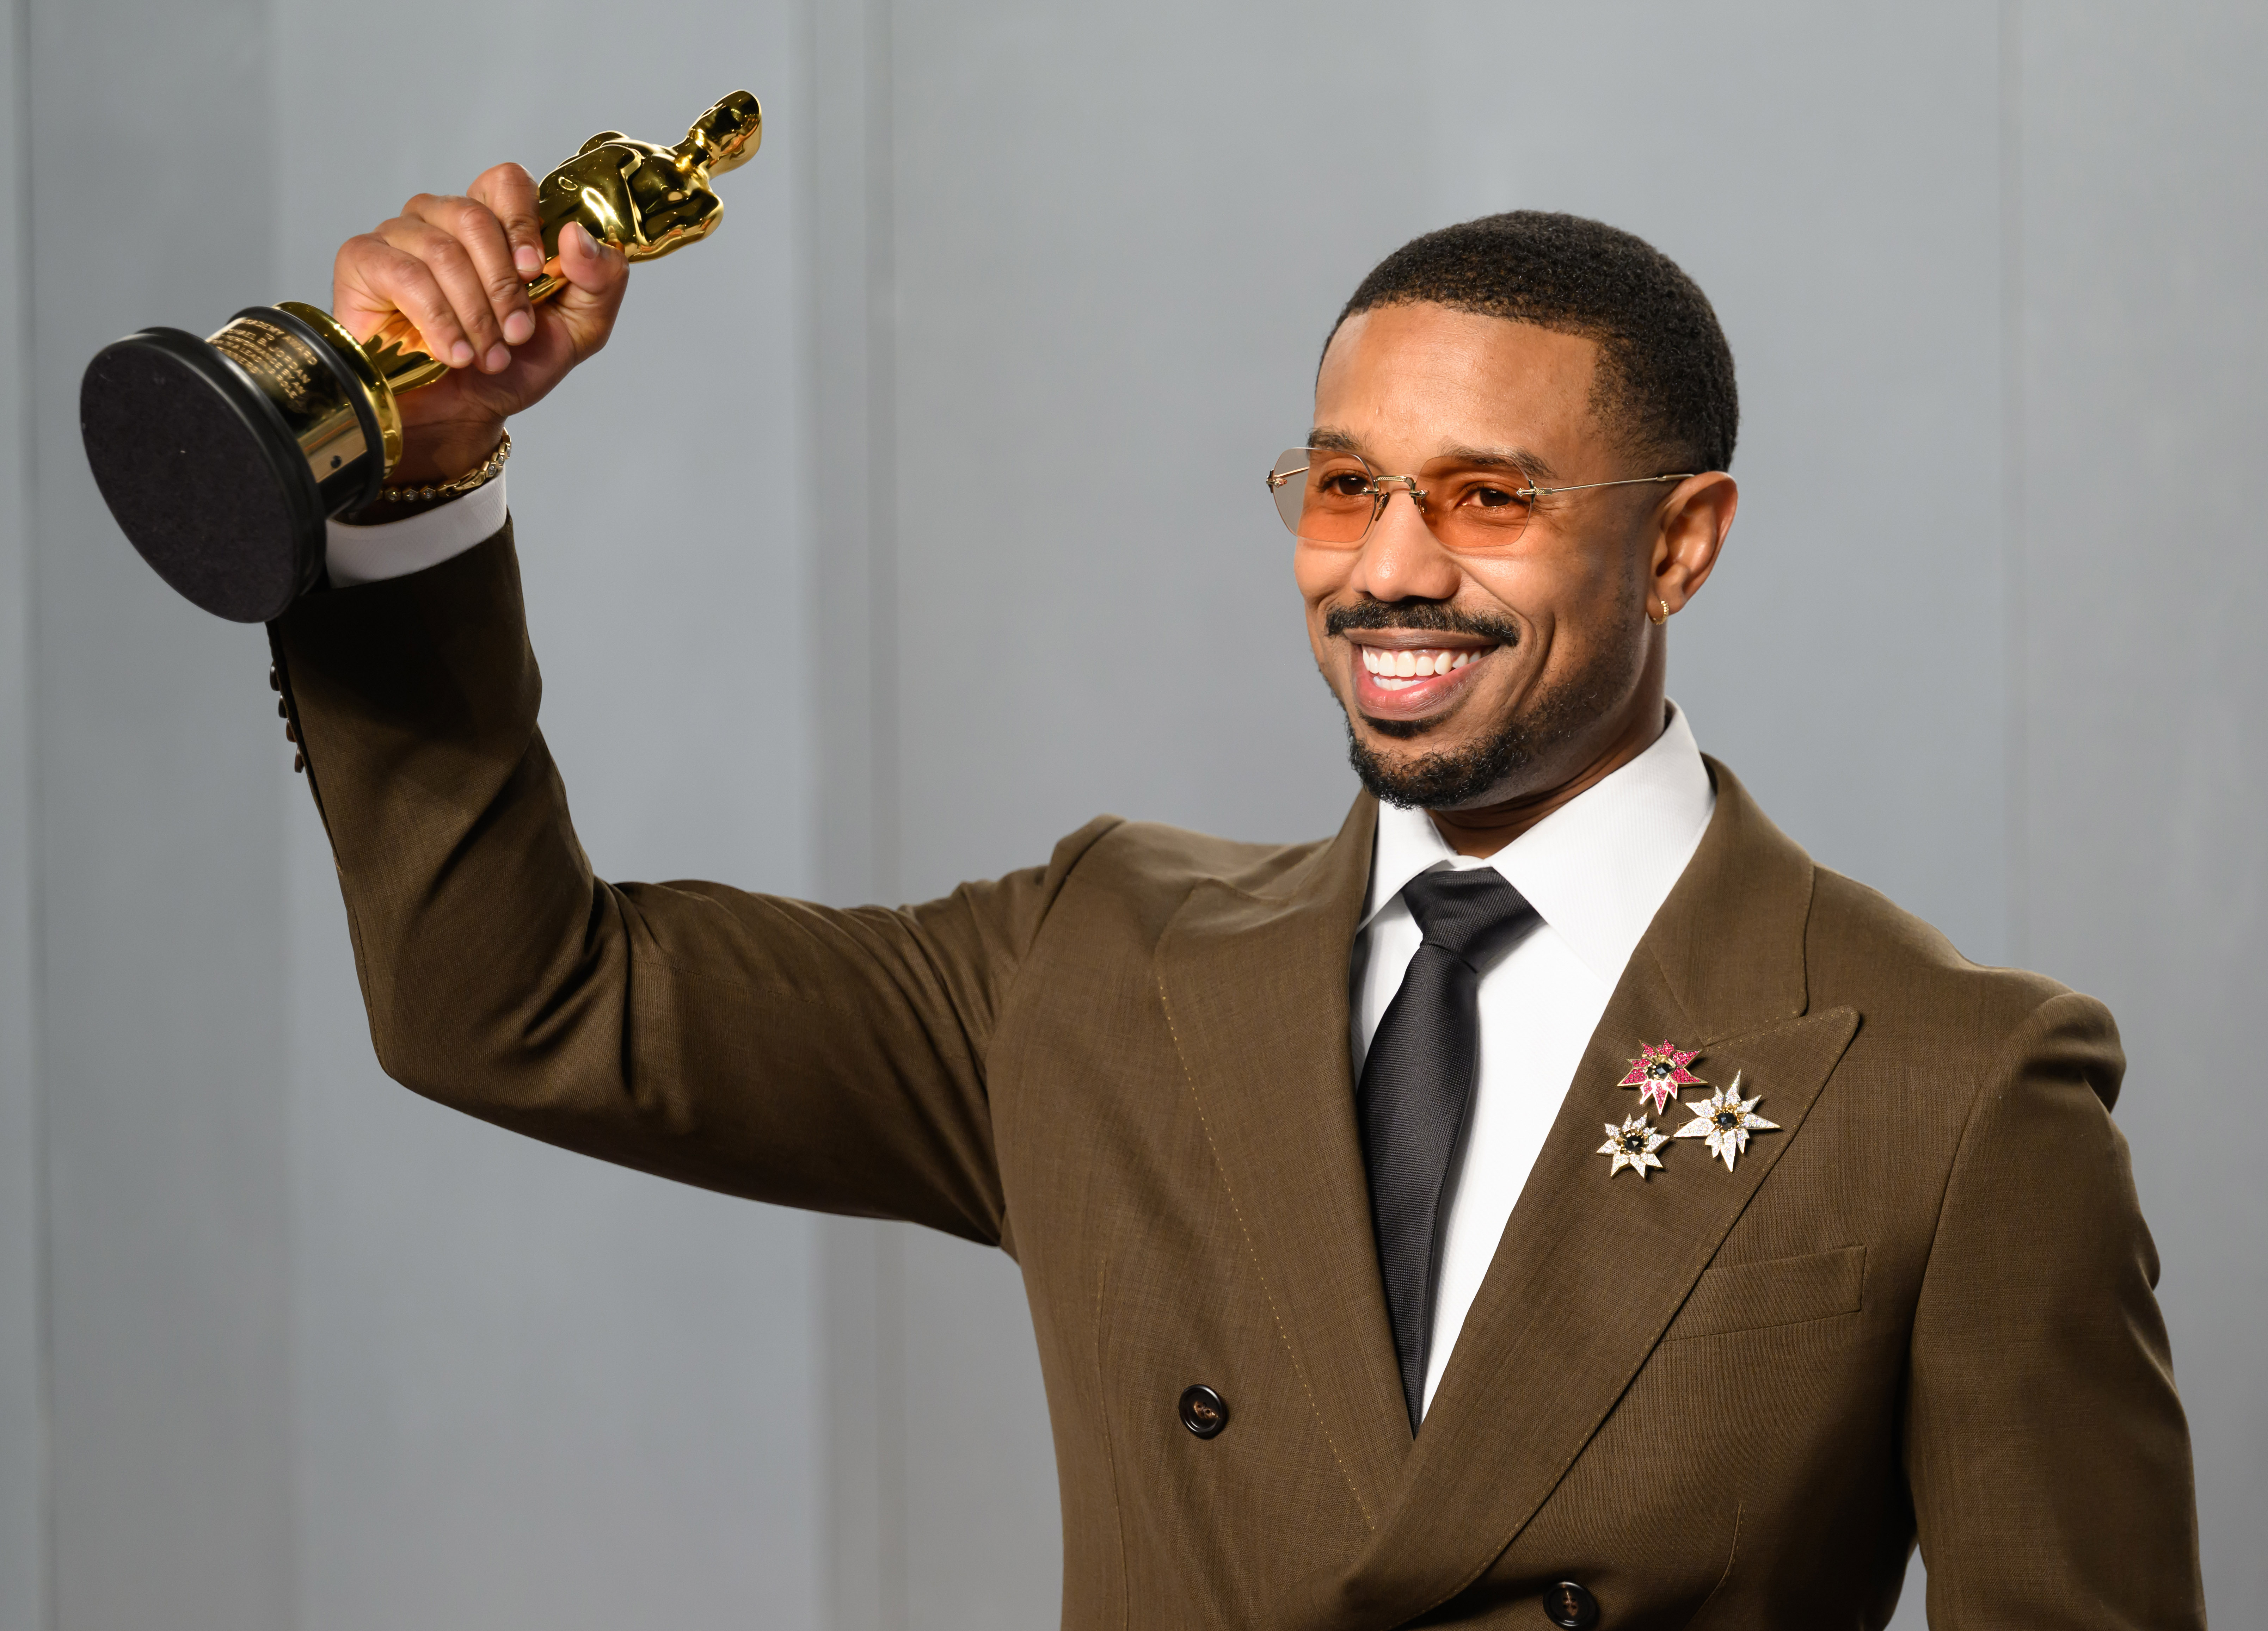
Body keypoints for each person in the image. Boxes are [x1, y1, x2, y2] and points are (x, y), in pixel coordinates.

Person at [270, 167, 2204, 1629]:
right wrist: (415, 487)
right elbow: (512, 1002)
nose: (1386, 566)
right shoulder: (1100, 965)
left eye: (1489, 498)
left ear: (1679, 542)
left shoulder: (1954, 1083)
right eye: (1342, 482)